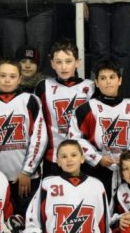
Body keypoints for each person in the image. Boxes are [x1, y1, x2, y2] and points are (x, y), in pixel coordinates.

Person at [68, 59, 130, 201]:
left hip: (128, 170)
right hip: (96, 171)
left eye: (112, 77)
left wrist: (128, 157)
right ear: (96, 82)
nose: (108, 82)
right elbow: (75, 138)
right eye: (103, 78)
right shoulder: (85, 110)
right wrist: (97, 158)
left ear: (120, 80)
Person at [0, 58, 47, 216]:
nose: (7, 80)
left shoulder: (31, 101)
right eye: (3, 75)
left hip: (26, 178)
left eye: (12, 76)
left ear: (20, 78)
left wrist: (27, 171)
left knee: (26, 222)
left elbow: (39, 138)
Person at [35, 39, 95, 177]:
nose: (64, 67)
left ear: (77, 62)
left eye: (68, 61)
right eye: (59, 62)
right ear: (52, 64)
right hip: (54, 158)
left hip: (85, 156)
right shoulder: (43, 87)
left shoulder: (90, 87)